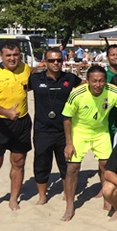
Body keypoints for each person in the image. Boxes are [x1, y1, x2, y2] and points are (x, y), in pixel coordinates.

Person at [62, 66, 117, 221]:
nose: (98, 84)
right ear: (87, 80)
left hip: (101, 132)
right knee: (72, 168)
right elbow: (66, 118)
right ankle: (69, 206)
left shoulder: (113, 91)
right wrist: (69, 143)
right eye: (94, 81)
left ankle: (107, 200)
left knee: (106, 166)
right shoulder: (77, 93)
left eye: (101, 80)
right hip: (80, 132)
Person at [0, 41, 32, 216]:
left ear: (20, 55)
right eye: (8, 55)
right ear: (1, 56)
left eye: (15, 55)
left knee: (19, 162)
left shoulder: (25, 69)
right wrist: (5, 112)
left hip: (22, 122)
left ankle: (13, 198)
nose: (12, 58)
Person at [29, 48, 82, 205]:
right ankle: (42, 196)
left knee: (65, 163)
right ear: (45, 62)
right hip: (42, 129)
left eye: (59, 60)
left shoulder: (70, 78)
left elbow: (87, 87)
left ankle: (67, 193)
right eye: (52, 60)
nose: (56, 63)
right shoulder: (35, 79)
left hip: (64, 130)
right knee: (41, 163)